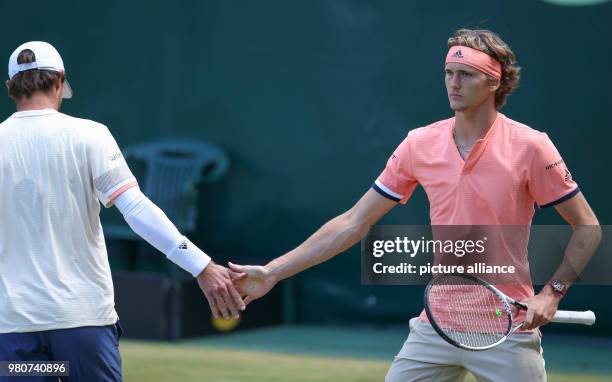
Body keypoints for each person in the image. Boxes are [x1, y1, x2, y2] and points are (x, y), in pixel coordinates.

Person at [229, 29, 601, 381]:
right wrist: (274, 271)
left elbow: (588, 228)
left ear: (494, 82)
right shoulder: (418, 144)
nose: (453, 84)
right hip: (435, 325)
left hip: (509, 327)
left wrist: (551, 293)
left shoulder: (532, 146)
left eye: (466, 75)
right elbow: (353, 222)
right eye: (449, 73)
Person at [0, 41, 245, 382]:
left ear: (11, 87)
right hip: (83, 326)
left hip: (13, 332)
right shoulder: (91, 135)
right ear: (59, 81)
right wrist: (202, 266)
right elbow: (136, 209)